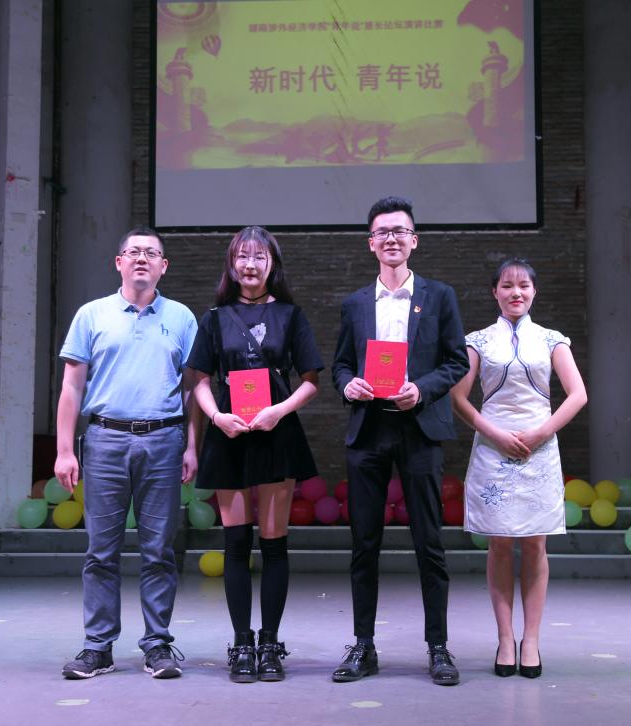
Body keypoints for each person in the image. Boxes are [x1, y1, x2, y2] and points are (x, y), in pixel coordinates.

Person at [331, 196, 470, 686]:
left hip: (419, 427)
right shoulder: (354, 303)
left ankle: (438, 647)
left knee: (429, 543)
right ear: (370, 244)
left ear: (414, 240)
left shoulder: (440, 296)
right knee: (363, 544)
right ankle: (363, 645)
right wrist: (347, 384)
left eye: (400, 231)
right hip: (369, 430)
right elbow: (340, 364)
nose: (391, 238)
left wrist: (423, 389)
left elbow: (456, 361)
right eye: (382, 232)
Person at [55, 227, 199, 681]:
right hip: (105, 440)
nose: (141, 258)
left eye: (151, 253)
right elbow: (71, 387)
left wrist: (193, 445)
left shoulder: (181, 318)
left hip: (163, 440)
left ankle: (157, 645)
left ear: (163, 266)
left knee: (159, 551)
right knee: (101, 551)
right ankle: (98, 647)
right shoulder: (91, 314)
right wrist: (64, 450)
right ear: (118, 262)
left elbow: (194, 389)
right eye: (133, 252)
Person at [186, 226, 323, 683]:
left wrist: (278, 411)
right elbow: (199, 380)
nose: (250, 264)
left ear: (272, 265)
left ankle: (270, 644)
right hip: (229, 433)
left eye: (259, 257)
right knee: (236, 544)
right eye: (242, 256)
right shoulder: (214, 317)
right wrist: (217, 417)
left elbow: (310, 380)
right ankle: (242, 644)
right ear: (231, 264)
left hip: (276, 433)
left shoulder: (291, 314)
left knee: (274, 543)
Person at [451, 257, 587, 679]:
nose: (516, 292)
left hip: (539, 450)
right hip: (493, 449)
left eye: (524, 285)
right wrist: (495, 434)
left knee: (534, 545)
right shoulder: (477, 341)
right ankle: (505, 638)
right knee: (498, 544)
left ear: (534, 291)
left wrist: (542, 433)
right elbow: (458, 398)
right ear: (495, 292)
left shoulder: (551, 339)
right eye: (507, 285)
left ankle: (531, 640)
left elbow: (578, 394)